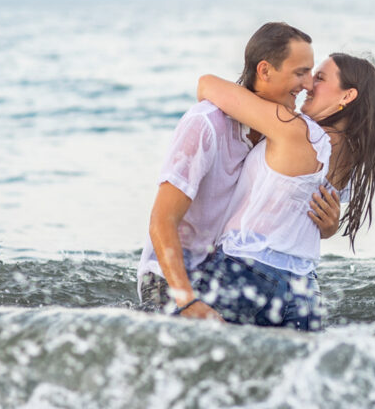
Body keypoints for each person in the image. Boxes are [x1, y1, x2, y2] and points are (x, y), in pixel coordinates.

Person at [137, 22, 341, 319]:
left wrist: (326, 226)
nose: (308, 85)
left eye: (311, 73)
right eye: (300, 73)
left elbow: (274, 223)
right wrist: (186, 300)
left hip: (229, 273)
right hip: (171, 278)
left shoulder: (281, 136)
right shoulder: (205, 124)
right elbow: (161, 220)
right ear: (265, 70)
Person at [189, 52, 375, 330]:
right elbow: (308, 215)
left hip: (248, 269)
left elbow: (206, 85)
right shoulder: (353, 156)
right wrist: (328, 229)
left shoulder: (294, 130)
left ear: (347, 96)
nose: (307, 85)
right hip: (304, 290)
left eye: (320, 78)